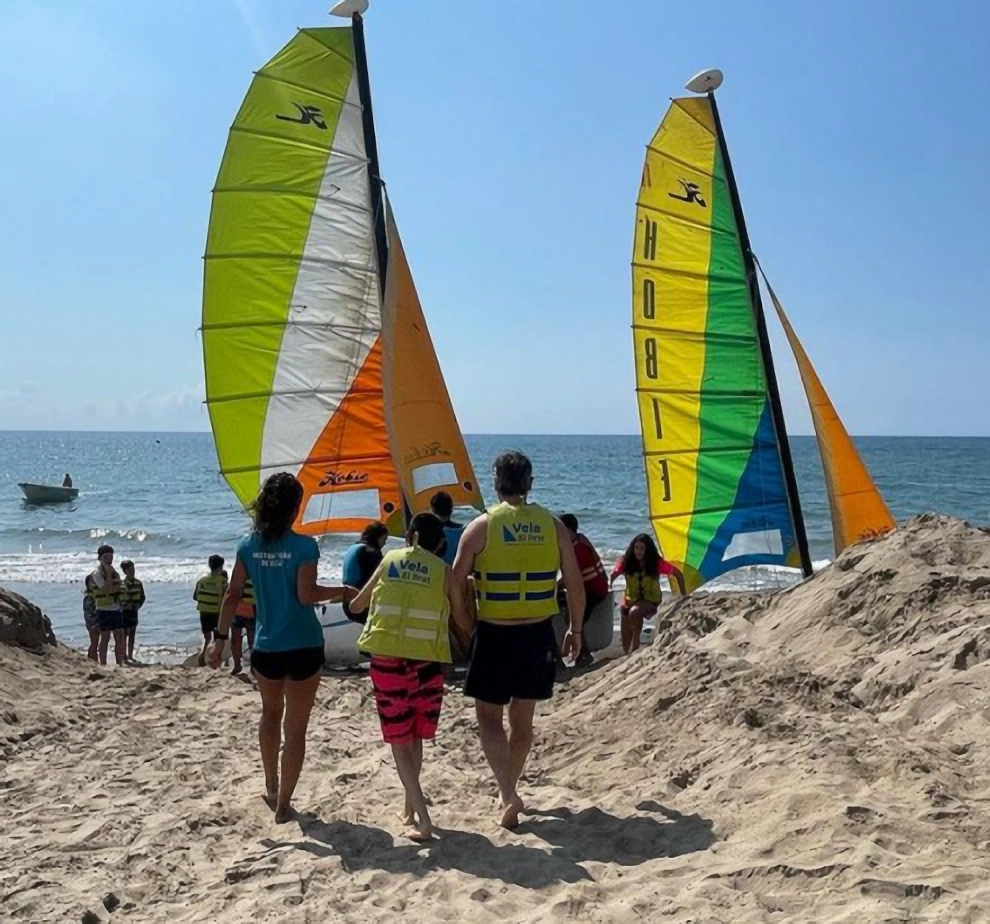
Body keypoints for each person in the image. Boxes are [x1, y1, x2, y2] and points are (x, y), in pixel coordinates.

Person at [452, 451, 584, 829]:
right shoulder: (554, 526)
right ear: (530, 483)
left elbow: (455, 580)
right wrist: (575, 630)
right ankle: (507, 790)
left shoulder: (481, 527)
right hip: (538, 632)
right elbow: (574, 584)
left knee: (488, 718)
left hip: (495, 632)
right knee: (522, 721)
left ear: (495, 482)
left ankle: (508, 793)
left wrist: (464, 622)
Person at [208, 472, 345, 824]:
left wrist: (219, 640)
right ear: (293, 508)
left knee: (270, 714)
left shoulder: (247, 546)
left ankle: (270, 784)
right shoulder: (304, 546)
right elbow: (306, 595)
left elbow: (232, 595)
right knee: (295, 729)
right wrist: (342, 591)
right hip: (304, 645)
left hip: (266, 646)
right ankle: (284, 803)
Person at [348, 512, 471, 841]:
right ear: (441, 544)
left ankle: (424, 819)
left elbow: (358, 606)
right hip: (428, 662)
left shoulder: (389, 559)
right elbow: (460, 618)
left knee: (400, 741)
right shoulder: (444, 572)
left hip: (388, 660)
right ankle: (409, 807)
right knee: (415, 734)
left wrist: (348, 593)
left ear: (410, 538)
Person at [610, 533, 676, 654]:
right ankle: (629, 653)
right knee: (625, 644)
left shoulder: (656, 563)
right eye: (636, 548)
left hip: (651, 601)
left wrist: (681, 594)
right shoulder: (626, 561)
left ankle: (636, 645)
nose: (638, 551)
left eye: (642, 548)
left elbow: (677, 574)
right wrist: (611, 582)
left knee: (635, 612)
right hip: (629, 601)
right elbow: (614, 574)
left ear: (648, 550)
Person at [558, 513, 608, 668]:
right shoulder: (578, 540)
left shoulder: (578, 549)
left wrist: (553, 588)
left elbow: (571, 578)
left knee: (573, 618)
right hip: (589, 587)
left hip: (595, 590)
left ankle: (583, 654)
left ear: (570, 530)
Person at [341, 521, 389, 623]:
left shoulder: (355, 547)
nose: (385, 543)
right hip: (361, 604)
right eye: (384, 539)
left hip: (347, 602)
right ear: (377, 537)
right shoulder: (370, 552)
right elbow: (382, 576)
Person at [91, 544, 125, 666]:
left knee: (119, 636)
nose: (109, 560)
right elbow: (106, 590)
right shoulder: (97, 574)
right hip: (103, 609)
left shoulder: (115, 573)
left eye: (111, 557)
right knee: (105, 637)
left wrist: (113, 585)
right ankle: (103, 663)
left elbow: (118, 587)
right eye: (106, 557)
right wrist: (109, 575)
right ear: (100, 558)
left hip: (116, 608)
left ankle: (120, 663)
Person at [194, 555, 227, 667]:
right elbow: (226, 598)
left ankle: (203, 655)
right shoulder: (222, 581)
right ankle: (217, 659)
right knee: (218, 637)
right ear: (221, 567)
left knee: (207, 637)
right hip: (217, 612)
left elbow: (195, 596)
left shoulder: (201, 581)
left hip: (204, 612)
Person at [120, 560, 145, 662]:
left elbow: (142, 597)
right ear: (125, 571)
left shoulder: (138, 583)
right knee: (124, 634)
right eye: (130, 569)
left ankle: (130, 655)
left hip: (134, 611)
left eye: (133, 569)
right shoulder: (121, 584)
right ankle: (124, 655)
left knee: (132, 634)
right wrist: (124, 605)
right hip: (124, 612)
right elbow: (118, 598)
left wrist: (138, 605)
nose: (132, 571)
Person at [430, 490, 464, 566]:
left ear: (433, 510)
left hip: (435, 572)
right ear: (451, 510)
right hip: (455, 572)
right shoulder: (463, 531)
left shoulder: (429, 532)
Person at [230, 577, 256, 675]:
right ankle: (237, 665)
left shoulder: (256, 576)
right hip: (238, 611)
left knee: (251, 640)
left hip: (252, 611)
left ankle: (253, 666)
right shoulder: (238, 578)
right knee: (235, 640)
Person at [82, 575, 99, 662]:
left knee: (95, 641)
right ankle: (92, 657)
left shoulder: (95, 594)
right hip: (92, 622)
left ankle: (93, 657)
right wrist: (93, 623)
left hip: (97, 621)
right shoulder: (89, 597)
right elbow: (88, 612)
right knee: (94, 641)